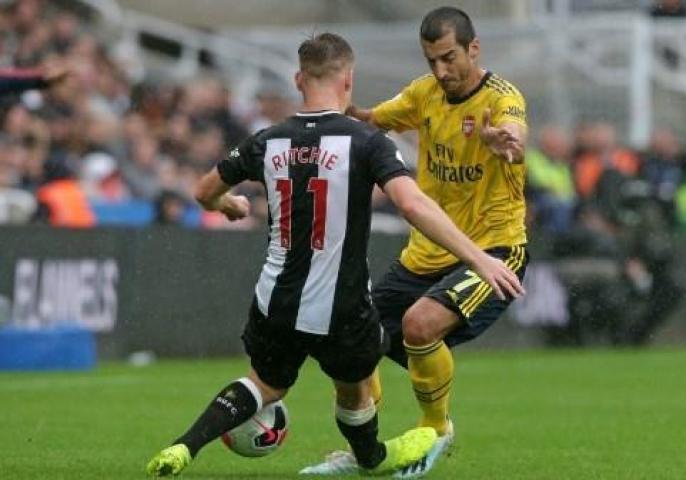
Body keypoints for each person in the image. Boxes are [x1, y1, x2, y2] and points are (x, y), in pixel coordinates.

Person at [145, 32, 523, 477]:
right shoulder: (365, 142)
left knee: (263, 383)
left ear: (298, 79)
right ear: (348, 80)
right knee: (357, 386)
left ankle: (184, 446)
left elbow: (204, 191)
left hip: (275, 299)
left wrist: (228, 205)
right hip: (342, 307)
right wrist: (480, 259)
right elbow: (412, 204)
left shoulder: (266, 140)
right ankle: (374, 456)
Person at [305, 7, 529, 477]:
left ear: (474, 48)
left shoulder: (503, 98)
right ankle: (367, 452)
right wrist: (321, 104)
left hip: (494, 250)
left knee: (420, 324)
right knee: (355, 337)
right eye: (432, 61)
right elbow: (370, 119)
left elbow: (516, 132)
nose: (441, 71)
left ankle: (435, 430)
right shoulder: (423, 95)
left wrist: (506, 141)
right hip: (426, 255)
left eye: (450, 58)